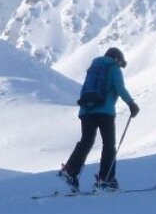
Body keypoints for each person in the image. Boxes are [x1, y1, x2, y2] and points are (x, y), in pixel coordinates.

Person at [58, 47, 139, 192]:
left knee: (86, 141)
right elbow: (120, 88)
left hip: (86, 111)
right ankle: (106, 179)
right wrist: (131, 104)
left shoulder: (94, 68)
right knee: (109, 144)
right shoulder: (113, 68)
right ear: (116, 59)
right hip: (105, 112)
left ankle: (70, 171)